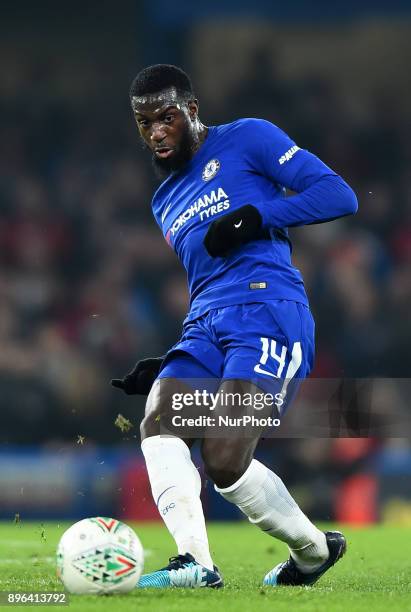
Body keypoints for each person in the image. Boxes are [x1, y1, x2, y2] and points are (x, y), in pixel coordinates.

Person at [112, 64, 358, 589]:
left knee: (224, 460)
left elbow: (339, 195)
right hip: (205, 324)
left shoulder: (249, 137)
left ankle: (313, 552)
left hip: (269, 312)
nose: (156, 131)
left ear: (191, 112)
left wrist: (257, 215)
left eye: (166, 117)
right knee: (159, 417)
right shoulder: (164, 200)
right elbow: (208, 278)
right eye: (144, 122)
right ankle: (195, 564)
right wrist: (171, 363)